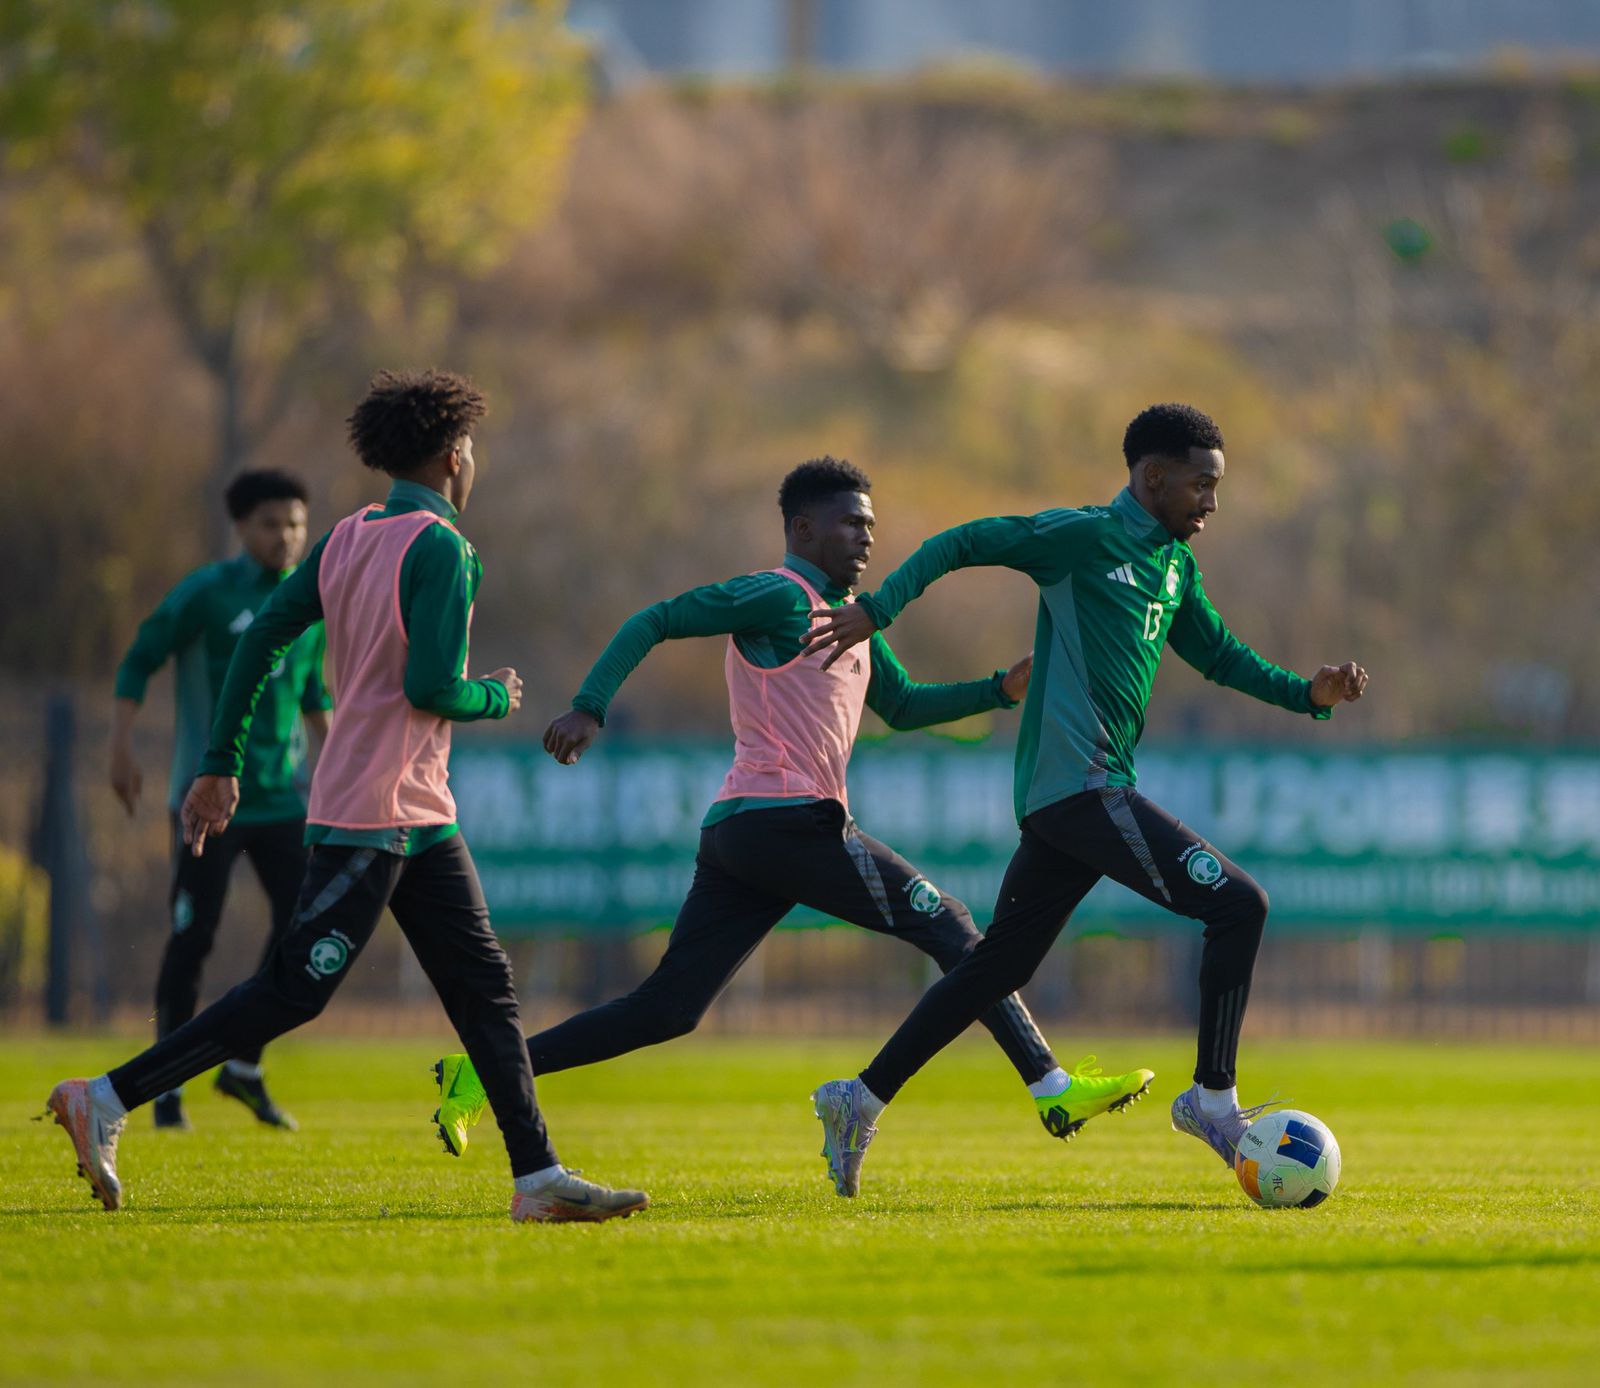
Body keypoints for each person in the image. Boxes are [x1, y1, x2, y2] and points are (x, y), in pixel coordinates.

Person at [429, 457, 1152, 1178]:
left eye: (871, 525)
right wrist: (590, 706)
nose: (867, 538)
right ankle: (1050, 1088)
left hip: (746, 836)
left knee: (667, 1010)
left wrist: (998, 689)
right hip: (788, 821)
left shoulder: (853, 621)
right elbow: (657, 619)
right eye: (851, 523)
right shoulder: (777, 596)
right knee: (952, 926)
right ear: (803, 529)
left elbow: (903, 706)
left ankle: (483, 1071)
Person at [46, 369, 646, 1224]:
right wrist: (495, 695)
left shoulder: (346, 536)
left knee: (486, 989)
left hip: (420, 813)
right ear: (453, 455)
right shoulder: (443, 548)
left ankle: (538, 1177)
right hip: (375, 809)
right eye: (471, 448)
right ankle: (105, 1096)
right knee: (295, 989)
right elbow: (433, 687)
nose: (473, 461)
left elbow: (262, 640)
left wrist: (220, 759)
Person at [803, 404, 1368, 1196]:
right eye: (1201, 485)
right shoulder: (1081, 538)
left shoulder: (1175, 565)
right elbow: (961, 542)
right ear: (1153, 477)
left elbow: (1217, 655)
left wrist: (1306, 694)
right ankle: (1212, 1102)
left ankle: (858, 1098)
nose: (1212, 503)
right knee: (1240, 905)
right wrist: (878, 609)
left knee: (997, 965)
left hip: (1069, 801)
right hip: (1083, 786)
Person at [111, 469, 329, 1131]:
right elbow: (140, 657)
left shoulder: (309, 598)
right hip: (207, 799)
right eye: (271, 524)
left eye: (296, 524)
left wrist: (337, 763)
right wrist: (120, 745)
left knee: (306, 930)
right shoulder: (208, 593)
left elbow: (312, 693)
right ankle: (164, 1088)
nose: (286, 536)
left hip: (283, 802)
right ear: (241, 527)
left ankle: (243, 1068)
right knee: (192, 938)